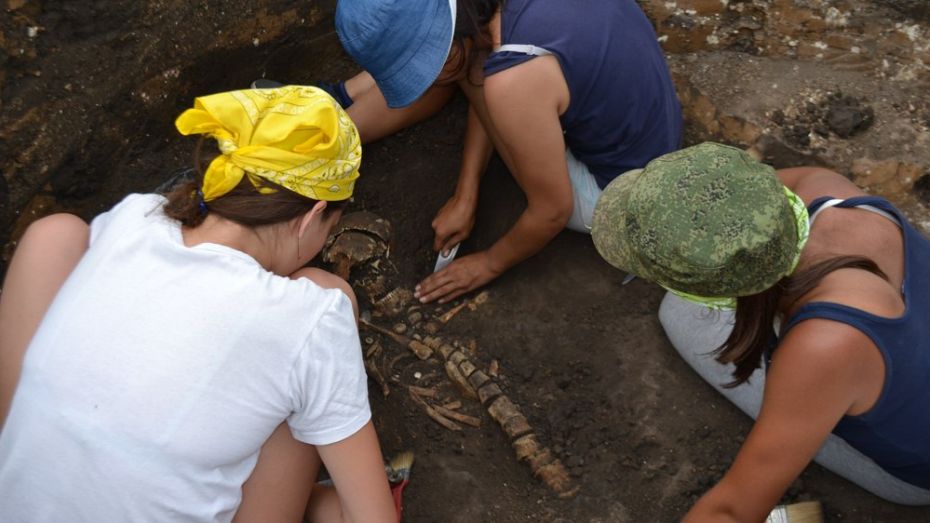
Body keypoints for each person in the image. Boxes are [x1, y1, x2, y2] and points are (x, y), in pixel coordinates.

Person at [0, 86, 396, 523]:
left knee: (55, 231)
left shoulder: (137, 216)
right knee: (306, 353)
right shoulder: (314, 314)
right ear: (310, 216)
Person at [590, 142, 930, 520]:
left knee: (682, 316)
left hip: (915, 475)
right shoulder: (821, 187)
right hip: (892, 358)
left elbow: (734, 509)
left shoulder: (825, 345)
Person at [326, 0, 682, 303]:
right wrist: (466, 193)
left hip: (620, 195)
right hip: (657, 127)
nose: (429, 82)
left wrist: (488, 264)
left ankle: (335, 111)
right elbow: (485, 70)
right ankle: (344, 100)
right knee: (473, 72)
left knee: (474, 77)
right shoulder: (491, 23)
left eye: (424, 69)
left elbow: (553, 211)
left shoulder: (511, 76)